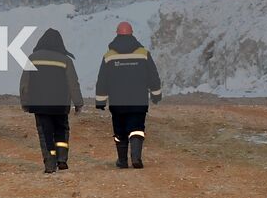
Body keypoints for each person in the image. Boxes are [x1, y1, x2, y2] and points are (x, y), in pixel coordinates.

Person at [95, 21, 163, 168]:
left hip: (118, 102)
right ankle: (136, 158)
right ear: (132, 34)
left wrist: (100, 100)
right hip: (138, 100)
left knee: (120, 131)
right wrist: (156, 94)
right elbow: (153, 76)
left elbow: (102, 80)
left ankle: (123, 161)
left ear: (117, 34)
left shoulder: (109, 56)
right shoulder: (143, 54)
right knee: (137, 127)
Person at [19, 28, 84, 173]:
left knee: (45, 133)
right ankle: (61, 160)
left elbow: (25, 83)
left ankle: (50, 164)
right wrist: (78, 103)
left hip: (40, 105)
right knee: (61, 130)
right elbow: (73, 83)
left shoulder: (33, 58)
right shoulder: (65, 60)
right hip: (60, 105)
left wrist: (25, 102)